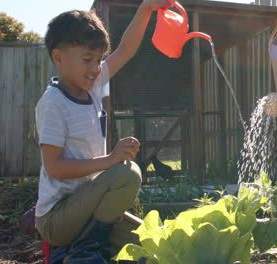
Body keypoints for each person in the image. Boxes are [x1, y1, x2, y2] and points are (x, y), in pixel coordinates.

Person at [34, 0, 172, 262]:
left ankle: (88, 245)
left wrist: (145, 9)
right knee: (127, 172)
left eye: (98, 60)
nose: (96, 67)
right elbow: (54, 168)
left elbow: (126, 50)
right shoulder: (53, 104)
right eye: (87, 59)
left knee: (152, 247)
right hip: (58, 219)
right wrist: (110, 160)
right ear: (58, 58)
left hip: (91, 208)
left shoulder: (93, 85)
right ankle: (83, 251)